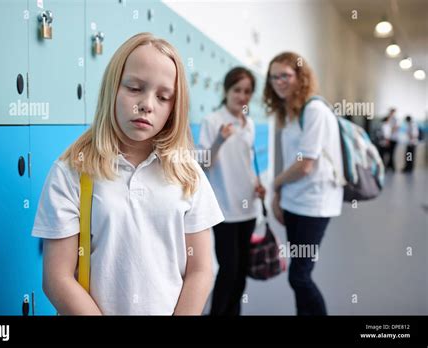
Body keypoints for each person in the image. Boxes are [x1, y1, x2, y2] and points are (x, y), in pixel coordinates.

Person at [31, 33, 224, 315]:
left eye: (163, 96)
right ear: (113, 88)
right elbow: (57, 279)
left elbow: (201, 270)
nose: (147, 104)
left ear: (174, 108)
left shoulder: (187, 173)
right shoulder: (72, 171)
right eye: (134, 88)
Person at [263, 52, 344, 315]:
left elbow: (306, 164)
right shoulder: (288, 112)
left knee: (299, 275)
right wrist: (280, 197)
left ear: (300, 77)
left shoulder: (315, 110)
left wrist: (275, 185)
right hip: (294, 201)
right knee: (298, 276)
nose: (279, 81)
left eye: (285, 75)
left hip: (315, 203)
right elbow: (290, 161)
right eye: (274, 77)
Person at [198, 67, 266, 315]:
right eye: (237, 90)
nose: (242, 96)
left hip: (248, 205)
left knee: (242, 271)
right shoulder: (213, 120)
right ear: (226, 91)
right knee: (229, 269)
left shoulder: (249, 124)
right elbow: (203, 163)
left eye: (247, 91)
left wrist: (258, 184)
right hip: (224, 209)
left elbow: (248, 161)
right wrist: (219, 140)